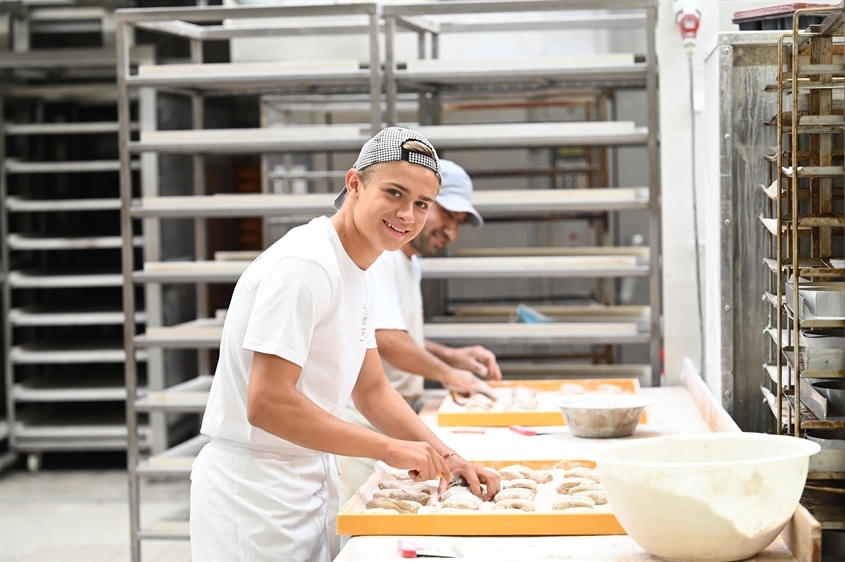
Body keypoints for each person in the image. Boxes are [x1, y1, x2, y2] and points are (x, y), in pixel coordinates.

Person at [189, 127, 500, 562]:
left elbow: (371, 390)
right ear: (354, 183)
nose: (407, 214)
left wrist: (449, 457)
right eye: (394, 192)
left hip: (305, 481)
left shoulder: (362, 270)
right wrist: (389, 448)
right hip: (255, 491)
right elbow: (267, 402)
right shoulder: (306, 266)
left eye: (421, 204)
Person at [339, 159, 503, 506]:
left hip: (393, 420)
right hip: (365, 425)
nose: (451, 232)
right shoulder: (377, 256)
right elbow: (386, 340)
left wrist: (451, 356)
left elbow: (389, 331)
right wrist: (448, 374)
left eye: (423, 206)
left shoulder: (404, 260)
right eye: (447, 215)